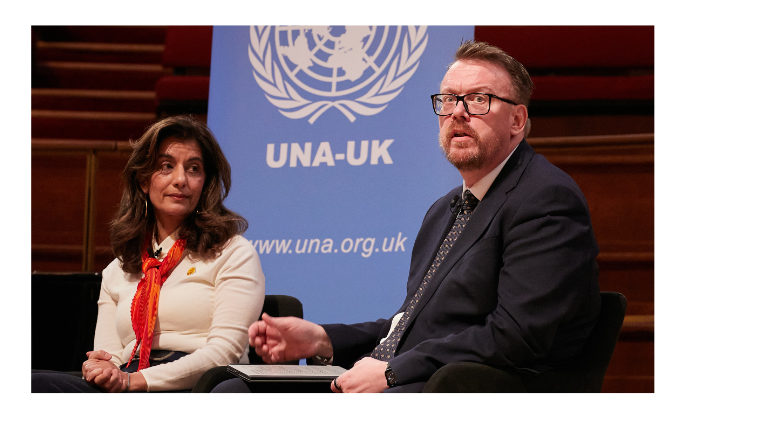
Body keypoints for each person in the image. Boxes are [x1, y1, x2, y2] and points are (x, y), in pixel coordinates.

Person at [213, 40, 600, 393]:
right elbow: (412, 325)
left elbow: (516, 334)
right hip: (412, 376)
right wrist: (322, 339)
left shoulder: (545, 199)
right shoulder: (445, 208)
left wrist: (392, 372)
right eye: (448, 100)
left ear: (517, 120)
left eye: (477, 99)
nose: (457, 113)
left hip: (462, 387)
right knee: (233, 392)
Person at [33, 115, 265, 392]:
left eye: (193, 169)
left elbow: (225, 353)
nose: (181, 180)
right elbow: (110, 355)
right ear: (143, 180)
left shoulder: (233, 252)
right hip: (127, 381)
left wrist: (138, 381)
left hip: (198, 386)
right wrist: (101, 367)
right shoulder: (118, 269)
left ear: (205, 183)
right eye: (166, 166)